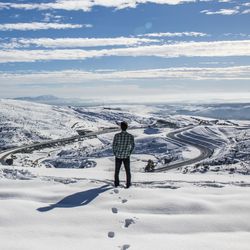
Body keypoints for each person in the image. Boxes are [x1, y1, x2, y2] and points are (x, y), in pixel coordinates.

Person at [112, 121, 135, 188]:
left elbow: (114, 145)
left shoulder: (117, 135)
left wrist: (115, 153)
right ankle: (128, 184)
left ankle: (116, 184)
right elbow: (133, 146)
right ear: (127, 127)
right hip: (126, 156)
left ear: (121, 127)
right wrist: (129, 153)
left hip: (118, 156)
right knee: (128, 171)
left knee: (117, 171)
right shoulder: (130, 136)